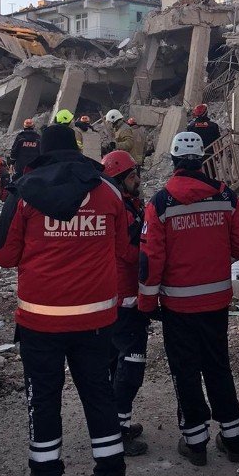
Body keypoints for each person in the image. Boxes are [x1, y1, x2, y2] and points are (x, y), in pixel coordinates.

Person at [0, 123, 133, 476]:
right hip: (95, 320)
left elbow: (3, 255)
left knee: (43, 402)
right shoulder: (108, 192)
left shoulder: (24, 193)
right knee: (100, 398)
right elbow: (124, 249)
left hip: (41, 320)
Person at [139, 132, 239, 466]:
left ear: (174, 162)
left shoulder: (160, 203)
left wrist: (147, 304)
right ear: (201, 161)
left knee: (186, 371)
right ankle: (234, 438)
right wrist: (220, 256)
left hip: (178, 307)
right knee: (218, 366)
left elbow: (152, 261)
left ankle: (196, 443)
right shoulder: (224, 195)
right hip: (217, 301)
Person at [102, 150, 149, 456]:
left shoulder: (116, 205)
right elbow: (130, 254)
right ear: (120, 179)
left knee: (112, 362)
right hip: (126, 298)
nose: (138, 181)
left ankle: (111, 424)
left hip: (111, 298)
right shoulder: (123, 211)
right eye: (133, 175)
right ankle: (118, 429)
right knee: (131, 363)